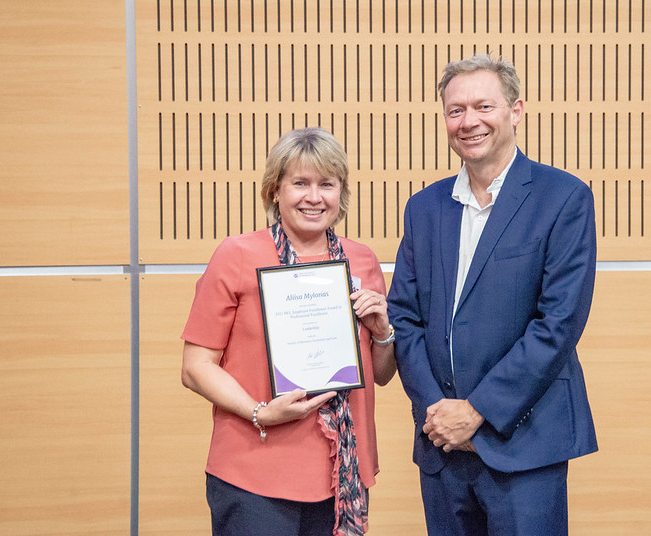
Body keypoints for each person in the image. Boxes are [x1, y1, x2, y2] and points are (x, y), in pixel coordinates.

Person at [387, 54, 598, 535]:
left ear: (516, 110)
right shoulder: (424, 207)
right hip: (441, 445)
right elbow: (404, 317)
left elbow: (558, 324)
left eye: (484, 106)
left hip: (524, 442)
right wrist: (436, 413)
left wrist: (477, 412)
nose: (469, 121)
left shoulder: (563, 197)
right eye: (455, 110)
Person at [181, 127, 396, 536]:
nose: (314, 197)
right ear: (275, 191)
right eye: (300, 183)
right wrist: (261, 412)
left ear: (340, 194)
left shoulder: (362, 261)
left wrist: (382, 331)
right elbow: (195, 367)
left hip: (342, 476)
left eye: (326, 185)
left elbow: (380, 374)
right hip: (254, 472)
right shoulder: (237, 255)